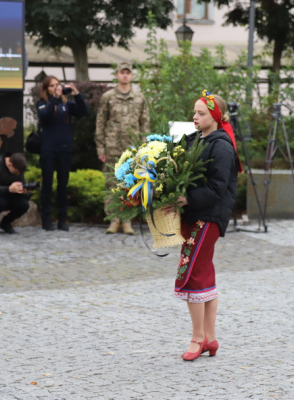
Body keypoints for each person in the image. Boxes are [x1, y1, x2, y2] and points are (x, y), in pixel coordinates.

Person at [164, 90, 241, 361]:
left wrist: (187, 199)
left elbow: (218, 188)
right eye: (194, 112)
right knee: (204, 273)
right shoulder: (195, 139)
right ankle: (209, 337)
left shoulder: (221, 145)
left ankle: (197, 338)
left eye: (201, 113)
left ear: (215, 116)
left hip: (209, 217)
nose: (195, 117)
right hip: (195, 215)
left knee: (192, 273)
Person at [95, 61, 150, 234]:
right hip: (112, 147)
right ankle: (113, 220)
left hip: (132, 149)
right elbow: (100, 123)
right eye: (122, 72)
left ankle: (127, 221)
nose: (125, 75)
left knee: (130, 184)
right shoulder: (108, 97)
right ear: (117, 75)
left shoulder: (140, 98)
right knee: (112, 184)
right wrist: (100, 149)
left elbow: (145, 125)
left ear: (131, 75)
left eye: (128, 72)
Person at [37, 75, 88, 231]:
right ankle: (46, 219)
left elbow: (83, 111)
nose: (56, 88)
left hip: (64, 150)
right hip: (48, 149)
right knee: (47, 185)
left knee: (63, 186)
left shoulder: (66, 103)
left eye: (57, 85)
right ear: (46, 89)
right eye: (52, 86)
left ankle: (62, 219)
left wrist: (76, 94)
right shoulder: (43, 103)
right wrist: (54, 99)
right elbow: (44, 116)